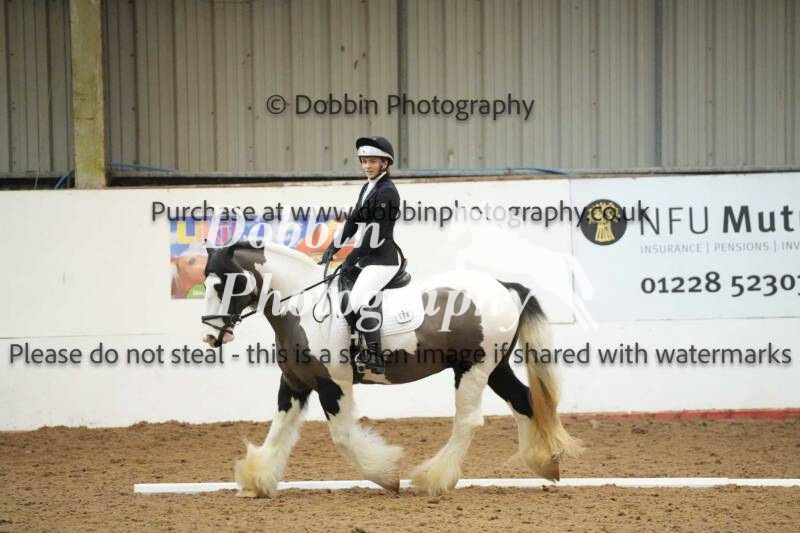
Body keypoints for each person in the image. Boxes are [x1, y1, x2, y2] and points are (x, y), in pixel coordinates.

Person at [318, 136, 402, 374]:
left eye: (372, 161)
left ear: (385, 163)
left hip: (382, 260)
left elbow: (376, 234)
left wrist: (350, 258)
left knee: (359, 299)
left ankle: (375, 354)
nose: (367, 166)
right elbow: (354, 220)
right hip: (367, 258)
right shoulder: (368, 187)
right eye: (364, 161)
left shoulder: (387, 192)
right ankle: (354, 346)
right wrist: (334, 246)